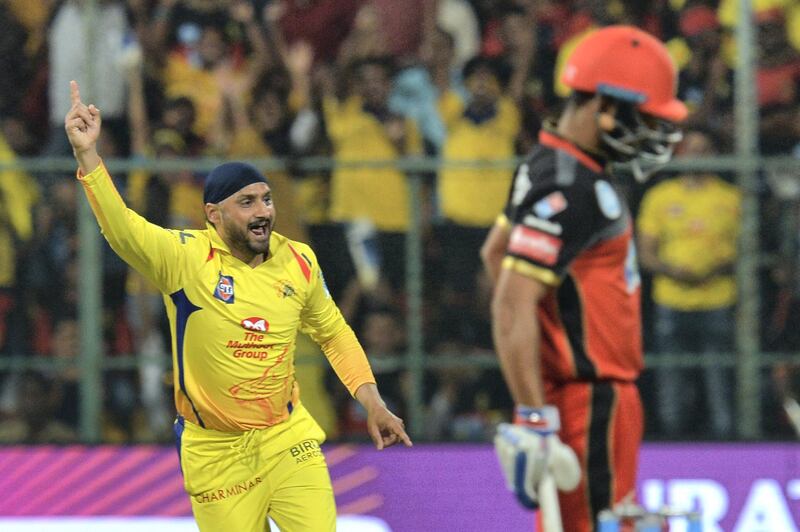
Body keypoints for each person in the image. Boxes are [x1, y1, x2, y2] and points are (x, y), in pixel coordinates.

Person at [64, 80, 410, 532]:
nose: (263, 211)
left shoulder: (299, 261)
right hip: (215, 453)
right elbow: (122, 229)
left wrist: (373, 402)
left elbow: (334, 333)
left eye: (266, 198)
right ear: (214, 214)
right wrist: (88, 155)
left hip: (287, 440)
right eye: (246, 202)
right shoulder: (186, 259)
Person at [481, 26, 686, 531]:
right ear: (606, 107)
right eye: (646, 119)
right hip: (589, 398)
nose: (652, 136)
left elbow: (496, 253)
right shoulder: (575, 187)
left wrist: (542, 375)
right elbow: (511, 302)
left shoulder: (549, 163)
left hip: (571, 393)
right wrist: (534, 410)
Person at [637, 128, 740, 439]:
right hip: (671, 300)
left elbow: (746, 251)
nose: (696, 155)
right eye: (690, 149)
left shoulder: (731, 198)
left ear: (714, 156)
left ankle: (726, 445)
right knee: (671, 384)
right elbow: (645, 253)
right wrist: (672, 270)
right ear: (680, 155)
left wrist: (714, 268)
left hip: (718, 301)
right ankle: (673, 446)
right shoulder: (660, 197)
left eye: (703, 149)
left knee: (719, 382)